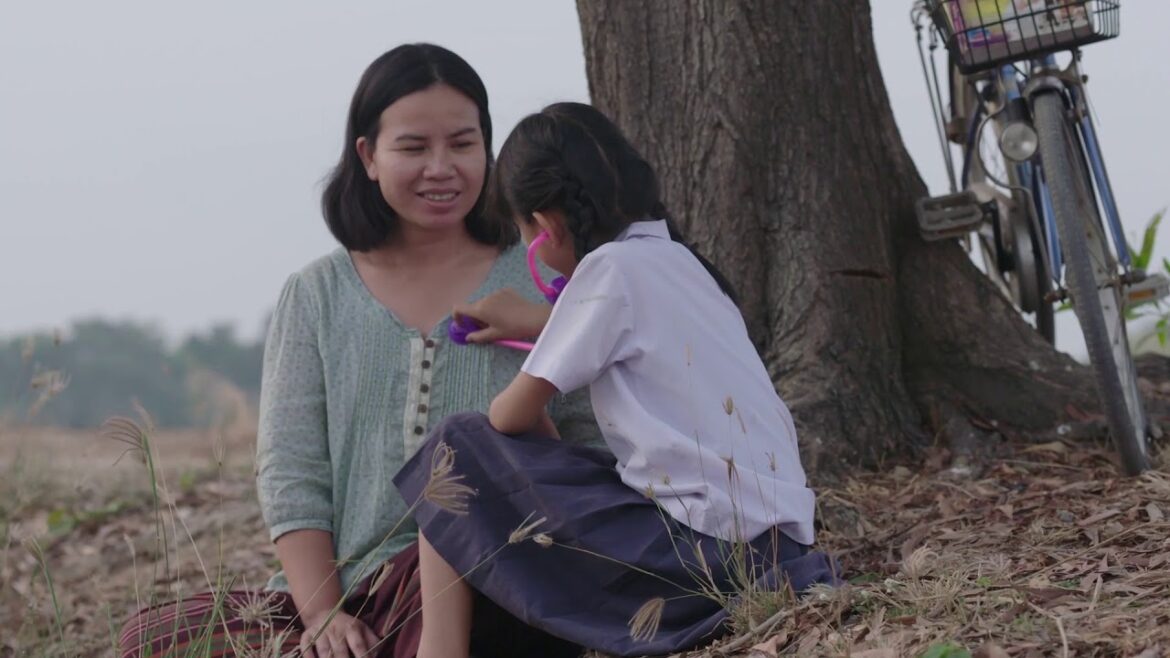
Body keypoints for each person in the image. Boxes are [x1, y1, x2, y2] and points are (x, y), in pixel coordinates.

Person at [117, 45, 597, 658]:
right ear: (368, 156)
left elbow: (591, 450)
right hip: (347, 596)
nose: (441, 168)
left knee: (487, 608)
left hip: (488, 580)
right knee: (152, 640)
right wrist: (322, 615)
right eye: (413, 148)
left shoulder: (544, 284)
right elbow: (292, 471)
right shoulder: (316, 294)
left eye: (462, 143)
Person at [394, 102, 841, 658]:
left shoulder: (606, 270)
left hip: (704, 558)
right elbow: (628, 327)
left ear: (543, 227)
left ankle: (438, 651)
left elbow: (508, 418)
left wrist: (533, 388)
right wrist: (541, 325)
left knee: (455, 446)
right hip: (776, 552)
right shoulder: (683, 263)